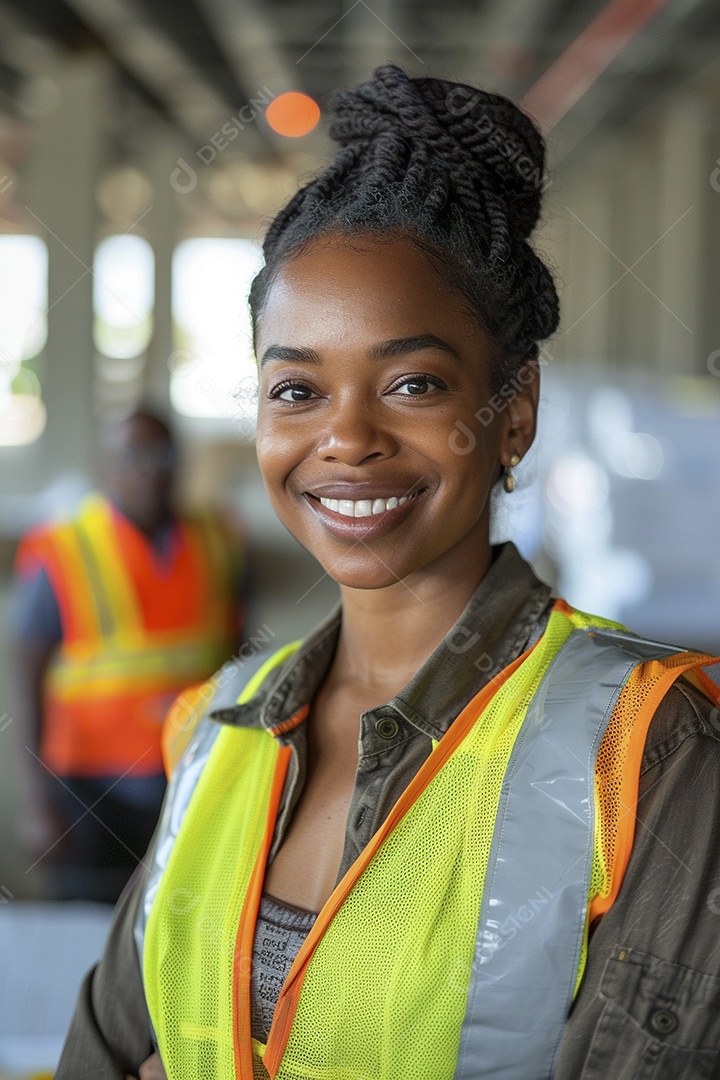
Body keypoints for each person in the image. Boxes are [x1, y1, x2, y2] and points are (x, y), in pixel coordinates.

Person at [57, 65, 720, 1079]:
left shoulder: (655, 751)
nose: (347, 439)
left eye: (413, 383)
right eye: (296, 389)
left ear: (516, 412)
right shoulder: (216, 729)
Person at [9, 409, 247, 903]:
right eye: (130, 456)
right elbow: (25, 671)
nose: (150, 469)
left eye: (161, 454)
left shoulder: (219, 541)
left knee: (179, 918)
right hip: (87, 788)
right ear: (105, 467)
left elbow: (240, 660)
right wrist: (38, 803)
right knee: (86, 924)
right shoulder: (63, 549)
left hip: (190, 773)